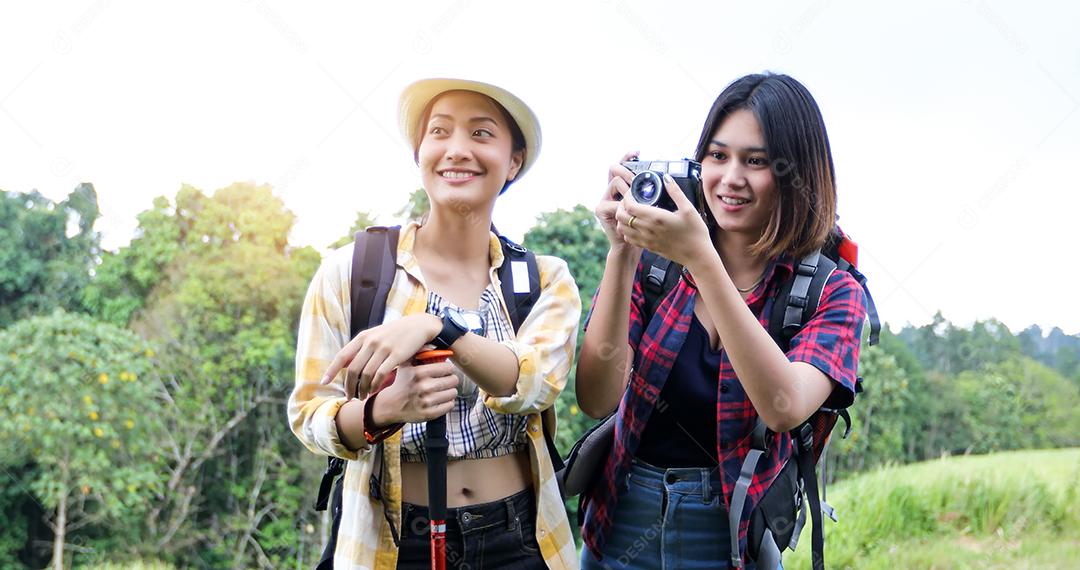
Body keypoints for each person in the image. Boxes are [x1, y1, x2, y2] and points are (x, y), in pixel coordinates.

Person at [575, 73, 868, 569]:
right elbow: (596, 398)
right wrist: (621, 253)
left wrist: (701, 260)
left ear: (799, 173)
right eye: (717, 155)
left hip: (733, 539)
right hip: (618, 527)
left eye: (756, 161)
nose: (731, 177)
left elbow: (783, 407)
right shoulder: (655, 264)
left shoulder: (831, 291)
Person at [288, 78, 581, 569]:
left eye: (481, 133)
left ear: (514, 161)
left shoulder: (543, 278)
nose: (457, 149)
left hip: (519, 539)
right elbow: (309, 414)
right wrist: (382, 411)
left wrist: (439, 328)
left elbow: (534, 384)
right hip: (393, 541)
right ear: (419, 153)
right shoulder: (351, 272)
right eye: (440, 132)